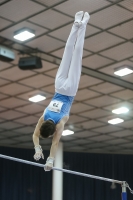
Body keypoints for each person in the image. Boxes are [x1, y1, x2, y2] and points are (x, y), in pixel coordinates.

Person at [32, 11, 90, 171]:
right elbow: (35, 135)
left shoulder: (60, 123)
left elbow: (55, 142)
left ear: (53, 131)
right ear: (43, 124)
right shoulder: (43, 116)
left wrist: (51, 160)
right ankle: (76, 23)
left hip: (70, 89)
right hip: (58, 85)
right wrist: (37, 148)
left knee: (77, 55)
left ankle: (83, 24)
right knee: (67, 52)